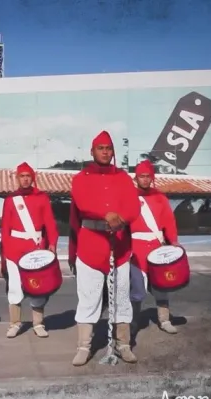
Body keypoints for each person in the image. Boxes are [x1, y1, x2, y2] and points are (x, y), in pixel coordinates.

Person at [68, 131, 141, 366]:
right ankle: (83, 347)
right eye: (100, 148)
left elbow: (133, 205)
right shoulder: (81, 178)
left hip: (118, 247)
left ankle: (123, 345)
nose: (105, 152)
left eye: (108, 148)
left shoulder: (123, 178)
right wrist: (104, 214)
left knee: (121, 298)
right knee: (88, 299)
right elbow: (82, 202)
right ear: (92, 151)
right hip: (91, 247)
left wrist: (122, 217)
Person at [0, 162, 59, 338]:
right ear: (17, 178)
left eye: (28, 176)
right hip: (15, 249)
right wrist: (7, 250)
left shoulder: (42, 198)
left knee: (38, 287)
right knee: (15, 287)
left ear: (32, 178)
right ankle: (15, 323)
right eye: (22, 176)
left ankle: (38, 323)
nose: (25, 179)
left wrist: (52, 243)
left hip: (37, 248)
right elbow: (5, 228)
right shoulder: (10, 199)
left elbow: (50, 223)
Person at [129, 160, 180, 335]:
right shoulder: (128, 197)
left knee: (162, 285)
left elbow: (169, 223)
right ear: (136, 178)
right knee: (136, 288)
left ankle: (164, 320)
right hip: (136, 249)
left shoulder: (160, 198)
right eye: (141, 176)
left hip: (158, 248)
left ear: (152, 178)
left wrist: (173, 241)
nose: (144, 180)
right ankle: (133, 322)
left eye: (147, 176)